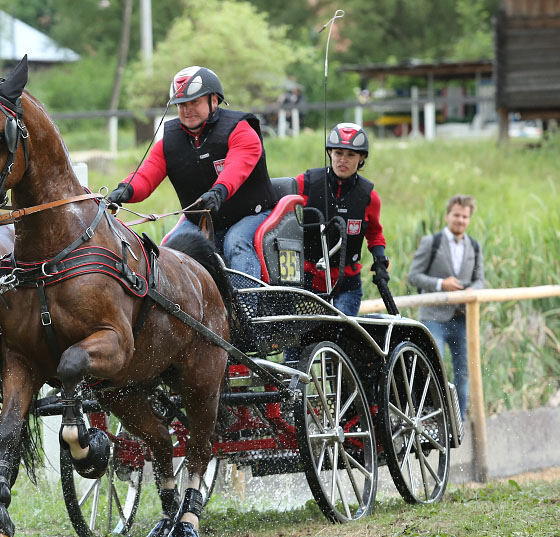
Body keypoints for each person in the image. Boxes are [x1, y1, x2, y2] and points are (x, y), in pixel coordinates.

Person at [106, 66, 277, 281]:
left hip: (252, 215)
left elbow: (237, 167)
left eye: (194, 102)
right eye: (181, 105)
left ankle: (244, 309)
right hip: (201, 221)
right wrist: (125, 191)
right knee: (167, 251)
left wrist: (219, 191)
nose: (187, 110)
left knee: (236, 241)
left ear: (214, 101)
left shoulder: (240, 129)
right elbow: (146, 174)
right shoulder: (169, 141)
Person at [294, 122, 389, 316]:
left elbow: (375, 233)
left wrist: (380, 261)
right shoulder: (306, 183)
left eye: (351, 155)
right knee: (303, 343)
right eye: (338, 153)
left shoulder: (369, 196)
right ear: (329, 153)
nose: (343, 160)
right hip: (310, 280)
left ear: (361, 158)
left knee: (340, 340)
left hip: (347, 285)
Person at [407, 194, 485, 417]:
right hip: (433, 317)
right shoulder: (431, 242)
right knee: (432, 369)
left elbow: (480, 279)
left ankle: (458, 420)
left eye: (464, 216)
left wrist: (473, 291)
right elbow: (414, 276)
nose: (460, 220)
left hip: (462, 319)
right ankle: (433, 417)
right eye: (456, 215)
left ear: (469, 219)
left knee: (464, 373)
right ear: (447, 216)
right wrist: (442, 284)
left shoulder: (475, 246)